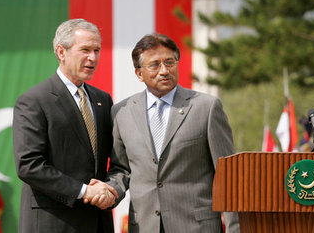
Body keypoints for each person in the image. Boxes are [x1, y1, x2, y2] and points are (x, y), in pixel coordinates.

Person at [100, 33, 240, 232]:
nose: (164, 71)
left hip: (197, 226)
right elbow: (121, 169)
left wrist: (236, 228)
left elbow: (228, 175)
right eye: (155, 65)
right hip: (144, 226)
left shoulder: (206, 108)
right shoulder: (121, 112)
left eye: (170, 62)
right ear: (139, 73)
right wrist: (109, 190)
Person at [13, 18, 117, 233]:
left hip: (98, 222)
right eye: (85, 50)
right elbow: (29, 165)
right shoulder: (34, 101)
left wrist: (111, 190)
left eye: (97, 50)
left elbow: (115, 159)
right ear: (61, 52)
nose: (93, 58)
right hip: (53, 222)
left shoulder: (102, 100)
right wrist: (83, 191)